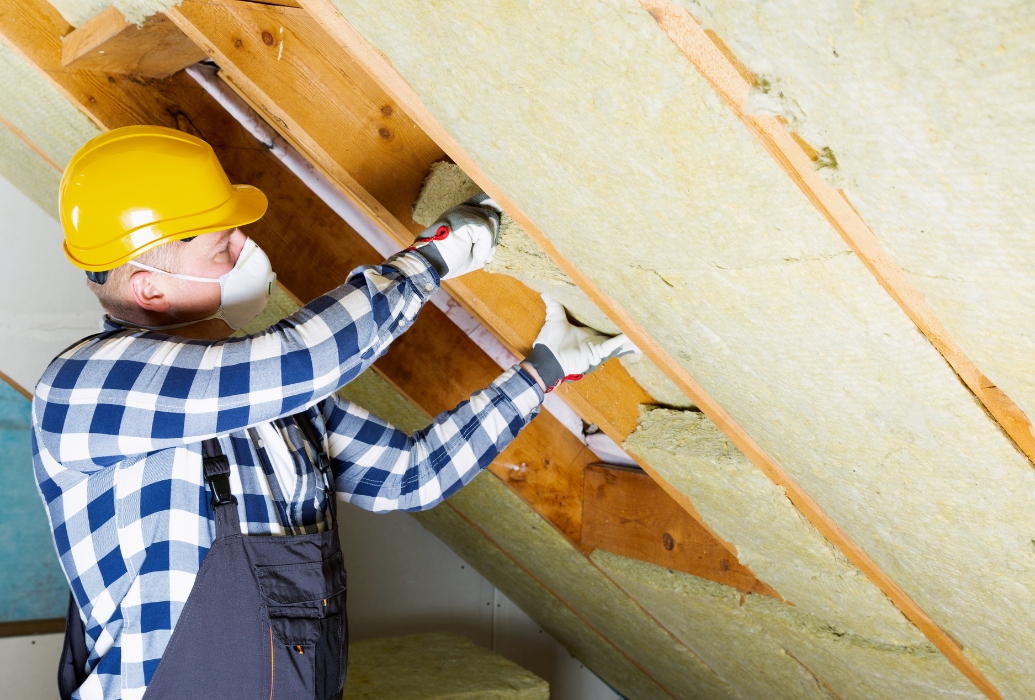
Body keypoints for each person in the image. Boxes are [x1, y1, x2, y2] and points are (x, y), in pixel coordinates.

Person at [35, 125, 635, 700]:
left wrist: (543, 374)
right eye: (224, 246)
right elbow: (302, 360)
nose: (248, 248)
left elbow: (409, 475)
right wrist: (430, 262)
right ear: (152, 290)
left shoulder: (267, 397)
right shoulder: (84, 388)